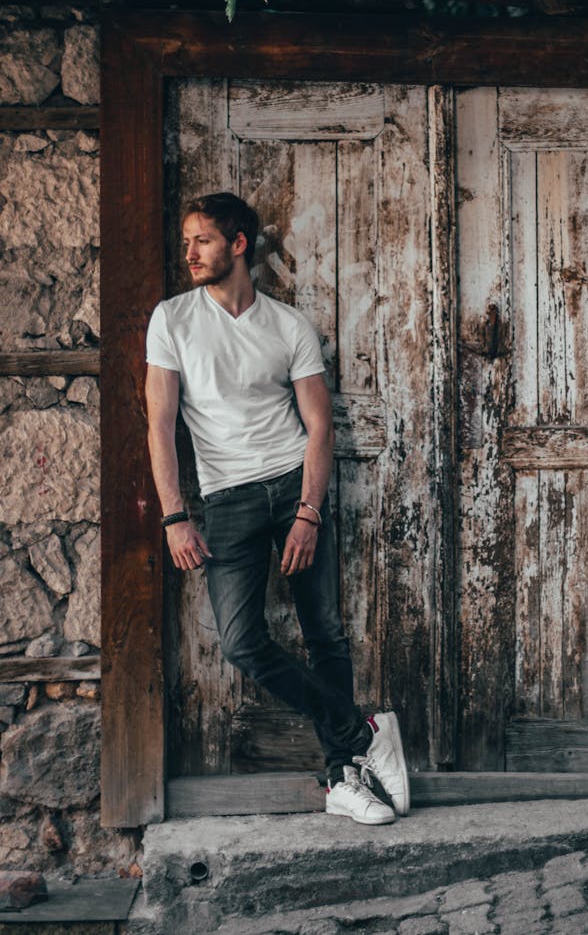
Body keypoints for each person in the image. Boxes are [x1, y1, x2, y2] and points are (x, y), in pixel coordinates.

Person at [145, 190, 409, 826]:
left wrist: (310, 511)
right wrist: (175, 515)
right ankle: (361, 730)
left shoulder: (287, 326)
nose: (190, 252)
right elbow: (158, 424)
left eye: (201, 240)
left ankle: (343, 779)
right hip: (228, 499)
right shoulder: (172, 319)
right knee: (241, 641)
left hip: (294, 485)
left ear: (238, 245)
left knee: (325, 633)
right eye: (187, 241)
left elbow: (320, 427)